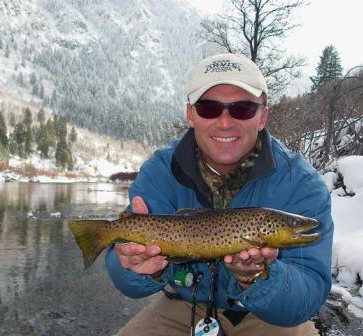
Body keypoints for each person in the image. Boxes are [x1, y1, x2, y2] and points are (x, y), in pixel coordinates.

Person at [106, 53, 333, 336]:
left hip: (266, 315)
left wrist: (260, 279)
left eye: (243, 109)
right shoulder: (160, 171)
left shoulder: (301, 184)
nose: (225, 122)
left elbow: (309, 295)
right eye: (209, 107)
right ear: (190, 114)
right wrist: (138, 267)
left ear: (262, 116)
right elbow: (125, 279)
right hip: (181, 306)